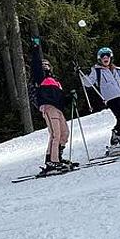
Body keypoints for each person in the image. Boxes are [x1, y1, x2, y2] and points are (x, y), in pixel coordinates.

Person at [30, 37, 73, 174]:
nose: (45, 67)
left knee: (64, 133)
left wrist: (70, 97)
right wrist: (36, 48)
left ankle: (57, 157)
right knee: (56, 134)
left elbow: (61, 98)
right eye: (43, 65)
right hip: (49, 108)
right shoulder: (40, 78)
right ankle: (52, 161)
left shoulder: (55, 81)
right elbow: (36, 65)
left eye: (47, 65)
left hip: (58, 109)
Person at [81, 47, 120, 155]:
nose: (105, 58)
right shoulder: (96, 70)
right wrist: (83, 74)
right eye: (103, 56)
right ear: (99, 59)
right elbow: (88, 83)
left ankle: (119, 140)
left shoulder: (114, 69)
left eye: (107, 56)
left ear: (111, 58)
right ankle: (116, 140)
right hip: (110, 97)